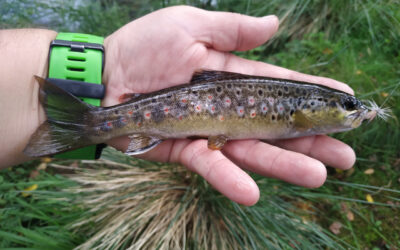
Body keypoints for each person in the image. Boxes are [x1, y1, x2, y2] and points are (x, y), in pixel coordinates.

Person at [0, 6, 355, 205]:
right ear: (313, 107)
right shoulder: (301, 113)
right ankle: (85, 123)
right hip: (153, 113)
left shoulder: (303, 113)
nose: (353, 111)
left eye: (349, 106)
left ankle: (78, 122)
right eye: (346, 105)